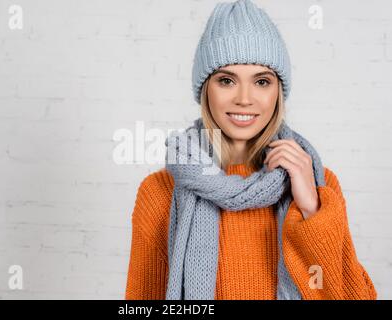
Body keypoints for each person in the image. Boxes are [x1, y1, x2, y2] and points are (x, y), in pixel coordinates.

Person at [125, 0, 377, 300]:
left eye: (261, 81)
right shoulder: (160, 192)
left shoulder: (317, 185)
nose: (244, 98)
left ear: (277, 92)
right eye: (227, 80)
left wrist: (312, 210)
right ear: (206, 89)